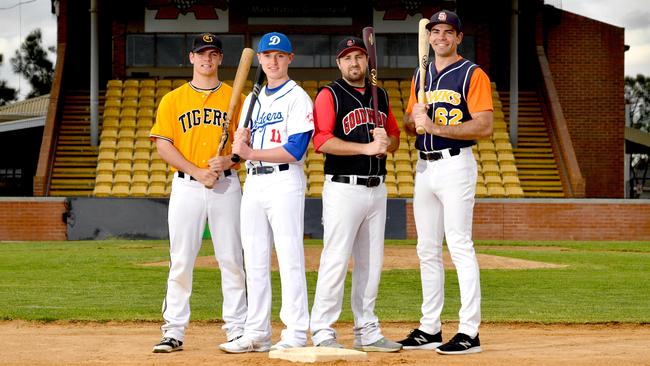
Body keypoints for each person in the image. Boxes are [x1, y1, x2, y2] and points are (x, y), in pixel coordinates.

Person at [397, 10, 493, 355]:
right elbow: (411, 126)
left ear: (458, 37)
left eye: (447, 32)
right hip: (425, 168)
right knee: (426, 249)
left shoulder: (472, 73)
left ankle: (470, 332)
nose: (439, 37)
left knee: (459, 245)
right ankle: (430, 328)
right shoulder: (420, 74)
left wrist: (435, 126)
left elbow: (484, 126)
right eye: (435, 31)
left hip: (456, 165)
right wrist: (414, 118)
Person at [150, 33, 247, 353]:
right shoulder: (173, 100)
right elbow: (163, 144)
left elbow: (245, 147)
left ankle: (237, 328)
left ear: (220, 59)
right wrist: (196, 170)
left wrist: (228, 160)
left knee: (232, 259)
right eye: (201, 53)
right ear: (190, 58)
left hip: (227, 185)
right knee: (181, 260)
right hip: (187, 186)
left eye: (213, 54)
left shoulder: (237, 97)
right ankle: (173, 330)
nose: (207, 59)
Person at [218, 32, 314, 353]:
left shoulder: (298, 96)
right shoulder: (251, 99)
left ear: (290, 59)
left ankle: (296, 332)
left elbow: (296, 149)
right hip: (254, 183)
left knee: (289, 258)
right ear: (259, 60)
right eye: (268, 55)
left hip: (284, 181)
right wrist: (240, 146)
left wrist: (249, 153)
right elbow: (244, 147)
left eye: (280, 55)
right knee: (255, 260)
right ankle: (257, 331)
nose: (273, 61)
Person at [309, 36, 402, 352]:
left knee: (371, 263)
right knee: (335, 259)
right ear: (339, 63)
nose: (354, 63)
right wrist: (365, 147)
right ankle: (322, 329)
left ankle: (367, 329)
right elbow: (320, 140)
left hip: (377, 189)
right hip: (343, 187)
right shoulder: (330, 94)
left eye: (359, 57)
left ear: (367, 62)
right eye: (347, 58)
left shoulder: (382, 95)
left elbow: (396, 138)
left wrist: (386, 142)